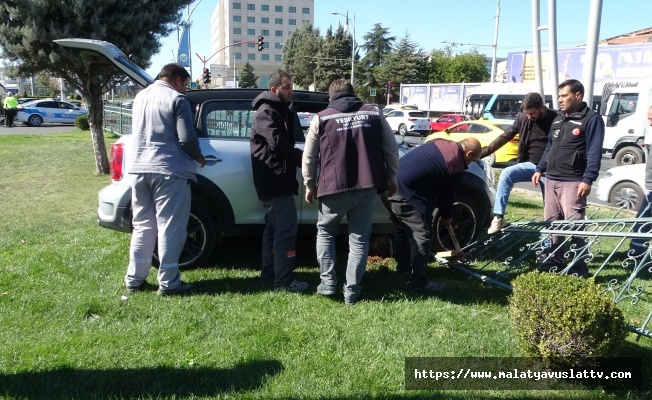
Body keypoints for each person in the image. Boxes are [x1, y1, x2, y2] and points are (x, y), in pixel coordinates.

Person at [302, 79, 399, 305]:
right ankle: (352, 291)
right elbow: (391, 148)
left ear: (331, 97)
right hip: (366, 187)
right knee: (359, 240)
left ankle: (328, 283)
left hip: (332, 188)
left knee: (325, 233)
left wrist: (309, 184)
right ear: (353, 94)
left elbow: (309, 157)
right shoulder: (375, 113)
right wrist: (392, 177)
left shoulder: (322, 117)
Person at [124, 63, 206, 296]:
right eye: (186, 85)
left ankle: (134, 279)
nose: (186, 91)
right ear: (177, 80)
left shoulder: (141, 96)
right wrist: (199, 157)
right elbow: (187, 138)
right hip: (169, 169)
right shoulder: (176, 99)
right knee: (170, 226)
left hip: (139, 167)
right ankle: (169, 282)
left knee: (142, 225)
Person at [532, 79, 605, 278]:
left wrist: (588, 179)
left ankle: (578, 268)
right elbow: (549, 148)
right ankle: (556, 262)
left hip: (573, 181)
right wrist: (540, 168)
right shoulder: (558, 119)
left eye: (564, 96)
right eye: (559, 96)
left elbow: (594, 151)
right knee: (552, 224)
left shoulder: (591, 119)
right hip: (551, 180)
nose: (560, 100)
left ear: (578, 95)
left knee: (575, 226)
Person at [388, 138, 482, 291]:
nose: (469, 164)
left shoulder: (440, 142)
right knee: (422, 239)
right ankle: (420, 284)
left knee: (401, 232)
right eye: (472, 160)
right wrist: (447, 216)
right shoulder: (456, 164)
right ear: (469, 153)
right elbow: (446, 196)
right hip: (408, 193)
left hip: (392, 183)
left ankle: (404, 270)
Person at [250, 69, 308, 292]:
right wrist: (306, 160)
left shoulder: (280, 110)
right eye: (287, 87)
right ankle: (283, 281)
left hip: (277, 180)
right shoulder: (267, 112)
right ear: (274, 89)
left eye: (292, 87)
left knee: (273, 229)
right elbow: (278, 145)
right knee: (285, 229)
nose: (291, 91)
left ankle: (269, 273)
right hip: (274, 181)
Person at [483, 92, 558, 234]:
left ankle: (548, 243)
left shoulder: (556, 119)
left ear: (542, 107)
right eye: (527, 113)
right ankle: (499, 217)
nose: (529, 117)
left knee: (549, 208)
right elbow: (506, 136)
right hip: (530, 165)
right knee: (506, 173)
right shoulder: (523, 118)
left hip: (549, 169)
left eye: (532, 113)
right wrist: (484, 152)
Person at [628, 105, 652, 255]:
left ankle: (637, 251)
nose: (650, 123)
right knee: (642, 220)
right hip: (650, 187)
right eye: (649, 119)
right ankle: (637, 250)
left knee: (643, 220)